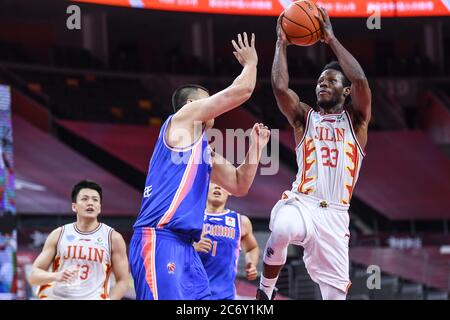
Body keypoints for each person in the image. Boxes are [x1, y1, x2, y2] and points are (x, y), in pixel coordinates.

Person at [129, 32, 270, 300]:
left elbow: (240, 184)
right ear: (193, 105)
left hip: (186, 247)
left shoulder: (205, 152)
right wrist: (250, 64)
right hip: (160, 238)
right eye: (207, 100)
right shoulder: (181, 120)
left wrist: (256, 147)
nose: (212, 107)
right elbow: (241, 91)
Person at [257, 7, 371, 300]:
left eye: (331, 81)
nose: (322, 83)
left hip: (335, 215)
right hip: (303, 203)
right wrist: (281, 43)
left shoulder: (356, 122)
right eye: (320, 80)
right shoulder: (305, 117)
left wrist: (330, 38)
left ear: (345, 92)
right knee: (282, 229)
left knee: (335, 297)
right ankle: (265, 293)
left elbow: (360, 81)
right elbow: (279, 87)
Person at [28, 180, 130, 300]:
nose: (90, 203)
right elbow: (33, 276)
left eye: (95, 200)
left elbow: (123, 281)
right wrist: (56, 276)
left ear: (99, 208)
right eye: (85, 199)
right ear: (74, 206)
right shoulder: (58, 234)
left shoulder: (113, 237)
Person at [194, 182, 259, 300]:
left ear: (229, 191)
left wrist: (251, 264)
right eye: (213, 183)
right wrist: (193, 247)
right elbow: (173, 248)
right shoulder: (191, 218)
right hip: (192, 292)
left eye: (222, 184)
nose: (217, 186)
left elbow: (252, 248)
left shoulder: (240, 221)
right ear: (205, 188)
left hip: (225, 295)